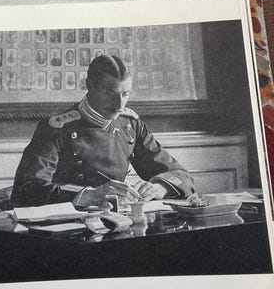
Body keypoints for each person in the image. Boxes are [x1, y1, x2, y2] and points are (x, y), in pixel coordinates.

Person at [11, 54, 195, 208]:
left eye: (125, 94)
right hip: (68, 222)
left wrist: (159, 187)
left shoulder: (130, 125)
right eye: (109, 93)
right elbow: (25, 189)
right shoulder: (56, 128)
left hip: (118, 219)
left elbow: (181, 174)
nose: (119, 105)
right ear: (89, 85)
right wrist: (87, 196)